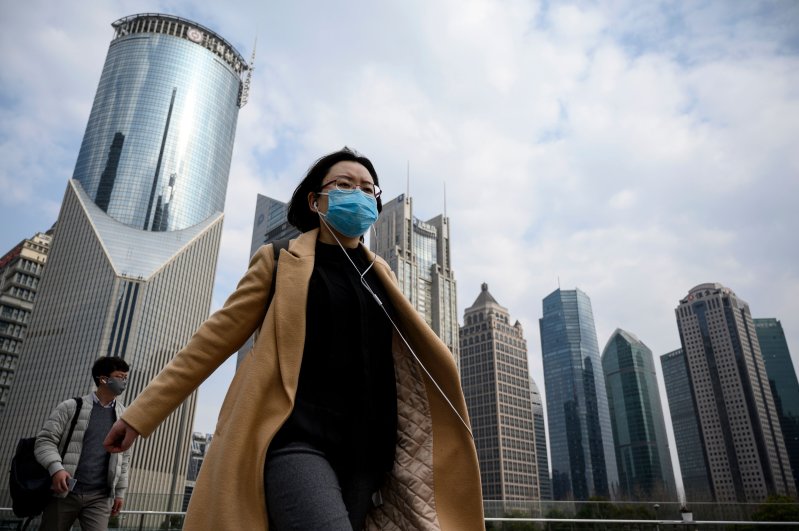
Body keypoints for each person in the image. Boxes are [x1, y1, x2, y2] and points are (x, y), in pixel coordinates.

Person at [104, 147, 483, 530]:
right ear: (315, 200)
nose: (359, 194)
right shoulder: (280, 259)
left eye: (369, 189)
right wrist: (141, 414)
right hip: (297, 439)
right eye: (344, 184)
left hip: (368, 452)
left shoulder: (381, 273)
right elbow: (212, 339)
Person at [35, 356, 132, 531]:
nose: (124, 381)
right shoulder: (71, 407)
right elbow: (45, 441)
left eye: (126, 377)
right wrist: (56, 468)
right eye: (120, 376)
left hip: (100, 497)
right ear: (103, 379)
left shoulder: (124, 416)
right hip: (64, 493)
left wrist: (120, 493)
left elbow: (123, 458)